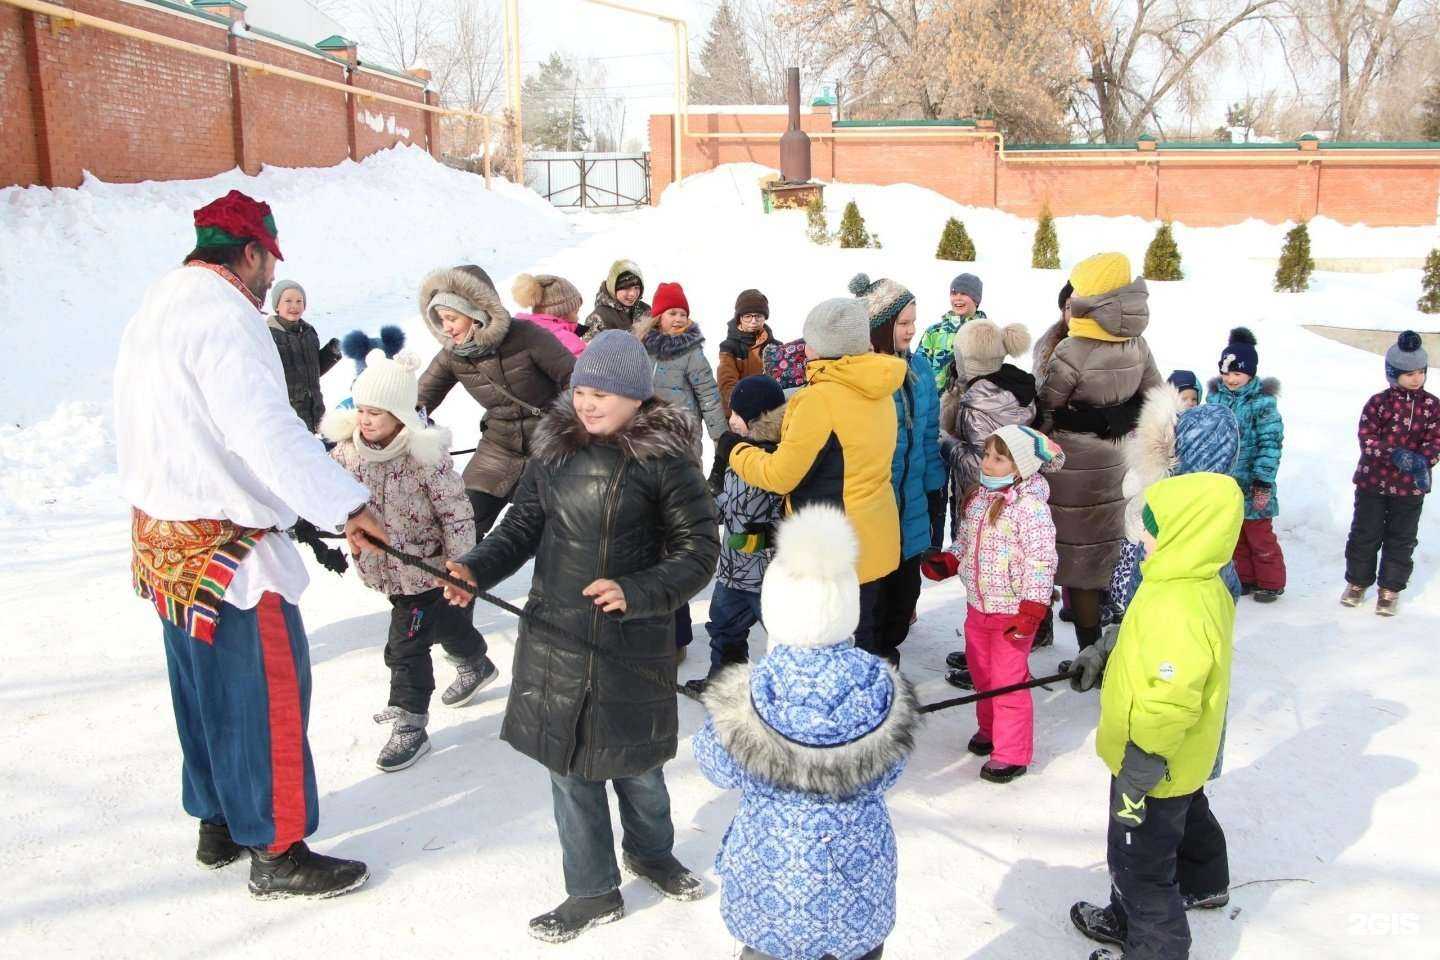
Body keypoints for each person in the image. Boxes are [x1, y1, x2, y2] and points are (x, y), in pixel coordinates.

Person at [116, 190, 383, 899]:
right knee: (264, 696)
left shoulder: (159, 305)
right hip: (226, 547)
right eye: (269, 264)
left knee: (203, 693)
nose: (270, 281)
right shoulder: (225, 317)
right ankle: (276, 847)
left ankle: (218, 822)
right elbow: (262, 430)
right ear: (252, 253)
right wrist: (347, 504)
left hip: (165, 541)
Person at [439, 331, 719, 944]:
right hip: (557, 635)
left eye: (602, 393)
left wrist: (637, 590)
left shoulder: (666, 460)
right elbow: (522, 526)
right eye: (582, 390)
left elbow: (699, 552)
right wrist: (475, 568)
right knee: (570, 770)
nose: (587, 404)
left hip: (628, 642)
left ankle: (652, 853)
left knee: (639, 766)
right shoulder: (555, 450)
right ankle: (591, 890)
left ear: (637, 397)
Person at [694, 505, 918, 960]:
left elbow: (714, 765)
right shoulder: (881, 685)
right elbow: (890, 773)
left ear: (775, 608)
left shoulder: (750, 691)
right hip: (858, 880)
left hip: (773, 884)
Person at [1068, 472, 1244, 960]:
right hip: (1177, 761)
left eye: (1151, 527)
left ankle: (1155, 947)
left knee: (1138, 866)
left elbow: (1171, 697)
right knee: (1180, 816)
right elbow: (1144, 641)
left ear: (1185, 533)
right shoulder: (1186, 579)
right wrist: (1104, 650)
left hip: (1150, 761)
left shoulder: (1180, 603)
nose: (1140, 537)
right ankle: (1201, 884)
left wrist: (1142, 759)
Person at [322, 350, 498, 772]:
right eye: (361, 410)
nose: (365, 420)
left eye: (377, 413)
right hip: (386, 570)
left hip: (427, 569)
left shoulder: (424, 457)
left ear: (401, 415)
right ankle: (475, 661)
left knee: (405, 647)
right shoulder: (347, 453)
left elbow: (457, 513)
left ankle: (409, 723)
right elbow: (326, 492)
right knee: (445, 623)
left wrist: (459, 568)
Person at [728, 297, 907, 651]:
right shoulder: (878, 389)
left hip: (832, 545)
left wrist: (736, 452)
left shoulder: (819, 400)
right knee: (862, 631)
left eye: (809, 339)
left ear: (825, 346)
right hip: (874, 535)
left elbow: (781, 475)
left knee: (830, 639)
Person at [1034, 253, 1161, 652]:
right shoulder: (1138, 344)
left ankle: (1084, 648)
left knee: (1073, 561)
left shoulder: (1074, 350)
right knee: (1102, 556)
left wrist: (1086, 420)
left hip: (1071, 470)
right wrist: (1118, 417)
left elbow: (1045, 411)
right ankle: (1100, 645)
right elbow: (1155, 396)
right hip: (1116, 465)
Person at [922, 425, 1061, 783]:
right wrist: (951, 561)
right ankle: (991, 729)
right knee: (984, 675)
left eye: (999, 458)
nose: (988, 462)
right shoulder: (980, 499)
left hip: (1013, 613)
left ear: (1020, 468)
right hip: (977, 607)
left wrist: (1033, 609)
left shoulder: (1031, 510)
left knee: (1008, 682)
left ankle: (1011, 752)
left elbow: (1042, 562)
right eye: (987, 454)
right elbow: (965, 542)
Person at [416, 265, 576, 541]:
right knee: (462, 521)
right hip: (499, 447)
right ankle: (458, 582)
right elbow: (419, 399)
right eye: (441, 319)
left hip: (550, 445)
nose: (447, 327)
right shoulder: (453, 355)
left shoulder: (526, 335)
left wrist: (569, 428)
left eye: (452, 317)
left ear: (475, 312)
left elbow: (575, 379)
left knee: (559, 530)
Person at [1097, 385, 1243, 634]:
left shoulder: (1164, 495)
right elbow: (1224, 562)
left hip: (1159, 607)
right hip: (1208, 611)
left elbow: (1144, 560)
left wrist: (1130, 604)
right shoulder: (1229, 497)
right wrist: (1231, 594)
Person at [851, 273, 944, 663]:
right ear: (881, 326)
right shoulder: (860, 371)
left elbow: (928, 437)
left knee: (904, 597)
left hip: (912, 503)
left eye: (913, 322)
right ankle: (873, 666)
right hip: (874, 507)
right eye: (902, 323)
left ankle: (887, 652)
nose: (911, 331)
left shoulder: (920, 370)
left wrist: (936, 494)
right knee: (869, 600)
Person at [692, 376, 788, 695]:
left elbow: (782, 516)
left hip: (766, 575)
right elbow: (729, 504)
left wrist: (751, 540)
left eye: (736, 414)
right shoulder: (738, 454)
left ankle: (789, 694)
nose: (730, 419)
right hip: (733, 571)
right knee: (722, 627)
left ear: (757, 418)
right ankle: (724, 685)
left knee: (785, 635)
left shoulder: (777, 461)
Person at [1342, 330, 1439, 616]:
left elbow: (1436, 440)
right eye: (1409, 373)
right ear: (1393, 373)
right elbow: (1367, 437)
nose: (1416, 378)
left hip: (1410, 488)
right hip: (1372, 483)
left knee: (1401, 538)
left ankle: (1390, 589)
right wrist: (1394, 454)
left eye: (1420, 372)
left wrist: (1422, 462)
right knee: (1364, 534)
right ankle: (1357, 583)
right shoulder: (1378, 403)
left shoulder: (1432, 406)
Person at [1206, 327, 1285, 602]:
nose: (1231, 379)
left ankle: (1271, 581)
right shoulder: (1215, 398)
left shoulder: (1262, 403)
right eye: (1226, 373)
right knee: (1235, 532)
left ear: (1250, 373)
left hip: (1254, 482)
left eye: (1237, 374)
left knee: (1259, 533)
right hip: (1226, 480)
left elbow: (1271, 442)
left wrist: (1263, 478)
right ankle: (1246, 577)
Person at [940, 319, 1036, 530]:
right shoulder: (1018, 390)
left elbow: (979, 468)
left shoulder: (976, 406)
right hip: (1015, 500)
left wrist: (948, 445)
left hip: (981, 506)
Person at [638, 281, 729, 463]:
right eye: (672, 313)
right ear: (658, 317)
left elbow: (707, 393)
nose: (678, 319)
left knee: (681, 482)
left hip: (683, 433)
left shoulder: (691, 351)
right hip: (647, 430)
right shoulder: (641, 347)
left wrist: (720, 436)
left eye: (683, 314)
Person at [266, 278, 341, 433]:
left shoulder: (309, 333)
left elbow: (313, 371)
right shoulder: (269, 335)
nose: (294, 306)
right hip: (288, 417)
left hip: (315, 412)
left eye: (299, 301)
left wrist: (331, 352)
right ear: (277, 306)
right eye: (288, 301)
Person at [918, 272, 985, 393]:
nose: (958, 298)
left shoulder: (986, 333)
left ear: (976, 299)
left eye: (964, 293)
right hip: (936, 404)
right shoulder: (934, 332)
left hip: (971, 405)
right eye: (954, 293)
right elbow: (919, 370)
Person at [717, 289, 775, 415]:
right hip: (738, 415)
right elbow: (727, 383)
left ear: (765, 317)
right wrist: (745, 409)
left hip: (770, 416)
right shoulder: (729, 347)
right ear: (739, 318)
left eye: (758, 316)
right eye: (748, 316)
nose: (753, 321)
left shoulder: (775, 347)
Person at [512, 272, 588, 357]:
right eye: (575, 312)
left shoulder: (520, 332)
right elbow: (592, 368)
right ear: (561, 313)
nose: (577, 318)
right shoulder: (568, 342)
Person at [583, 258, 650, 339]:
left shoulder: (645, 310)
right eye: (627, 288)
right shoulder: (598, 318)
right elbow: (591, 350)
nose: (632, 293)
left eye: (636, 288)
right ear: (613, 288)